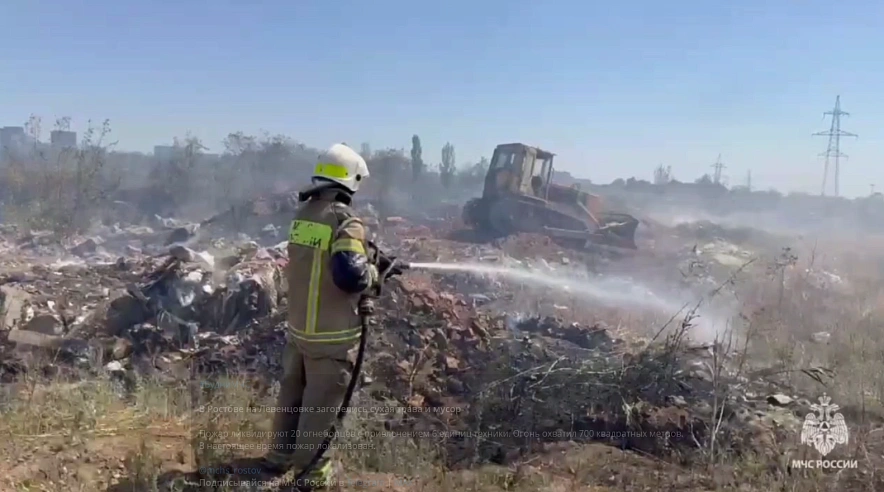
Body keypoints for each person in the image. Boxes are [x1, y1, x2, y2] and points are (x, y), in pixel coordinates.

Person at [260, 143, 388, 488]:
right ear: (352, 180)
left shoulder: (304, 216)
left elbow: (320, 262)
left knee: (292, 395)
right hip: (331, 338)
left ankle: (277, 459)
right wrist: (376, 274)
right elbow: (349, 275)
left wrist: (369, 259)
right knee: (320, 408)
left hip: (300, 329)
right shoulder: (346, 221)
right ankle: (312, 476)